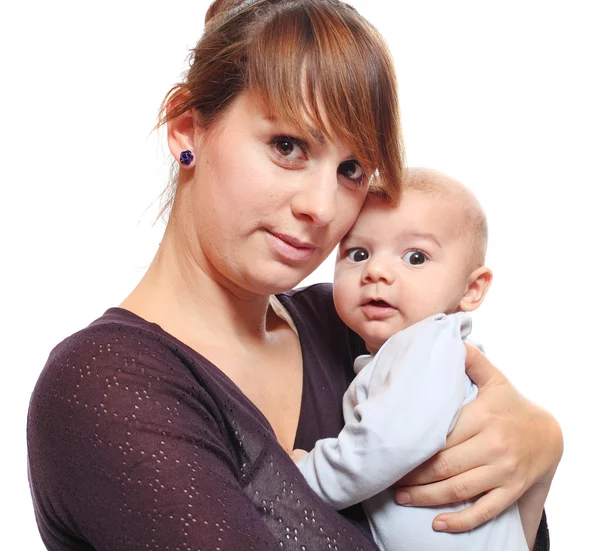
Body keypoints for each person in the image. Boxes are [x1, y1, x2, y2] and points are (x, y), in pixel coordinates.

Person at [26, 1, 562, 550]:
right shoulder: (104, 387)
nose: (323, 207)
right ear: (187, 128)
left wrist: (539, 453)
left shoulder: (357, 323)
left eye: (351, 169)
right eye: (287, 147)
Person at [294, 167, 529, 550]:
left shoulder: (430, 344)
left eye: (415, 257)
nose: (376, 271)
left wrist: (306, 474)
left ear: (471, 289)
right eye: (358, 253)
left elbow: (389, 443)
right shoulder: (403, 353)